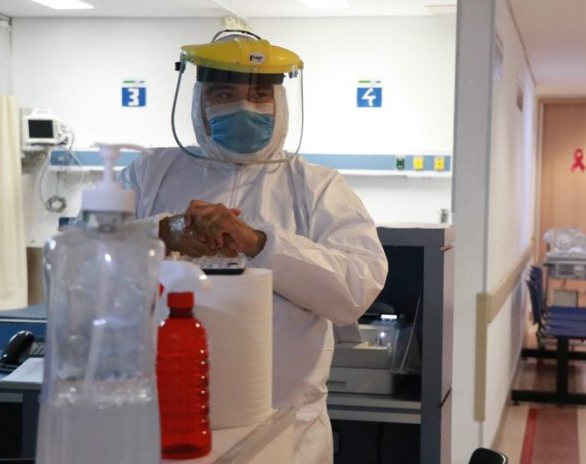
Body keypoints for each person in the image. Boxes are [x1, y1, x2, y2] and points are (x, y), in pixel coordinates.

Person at [118, 31, 388, 463]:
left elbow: (356, 290)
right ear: (199, 100)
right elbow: (92, 261)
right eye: (225, 94)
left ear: (279, 102)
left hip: (288, 431)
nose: (244, 107)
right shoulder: (150, 173)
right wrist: (163, 233)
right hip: (164, 426)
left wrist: (259, 242)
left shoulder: (317, 187)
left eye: (259, 95)